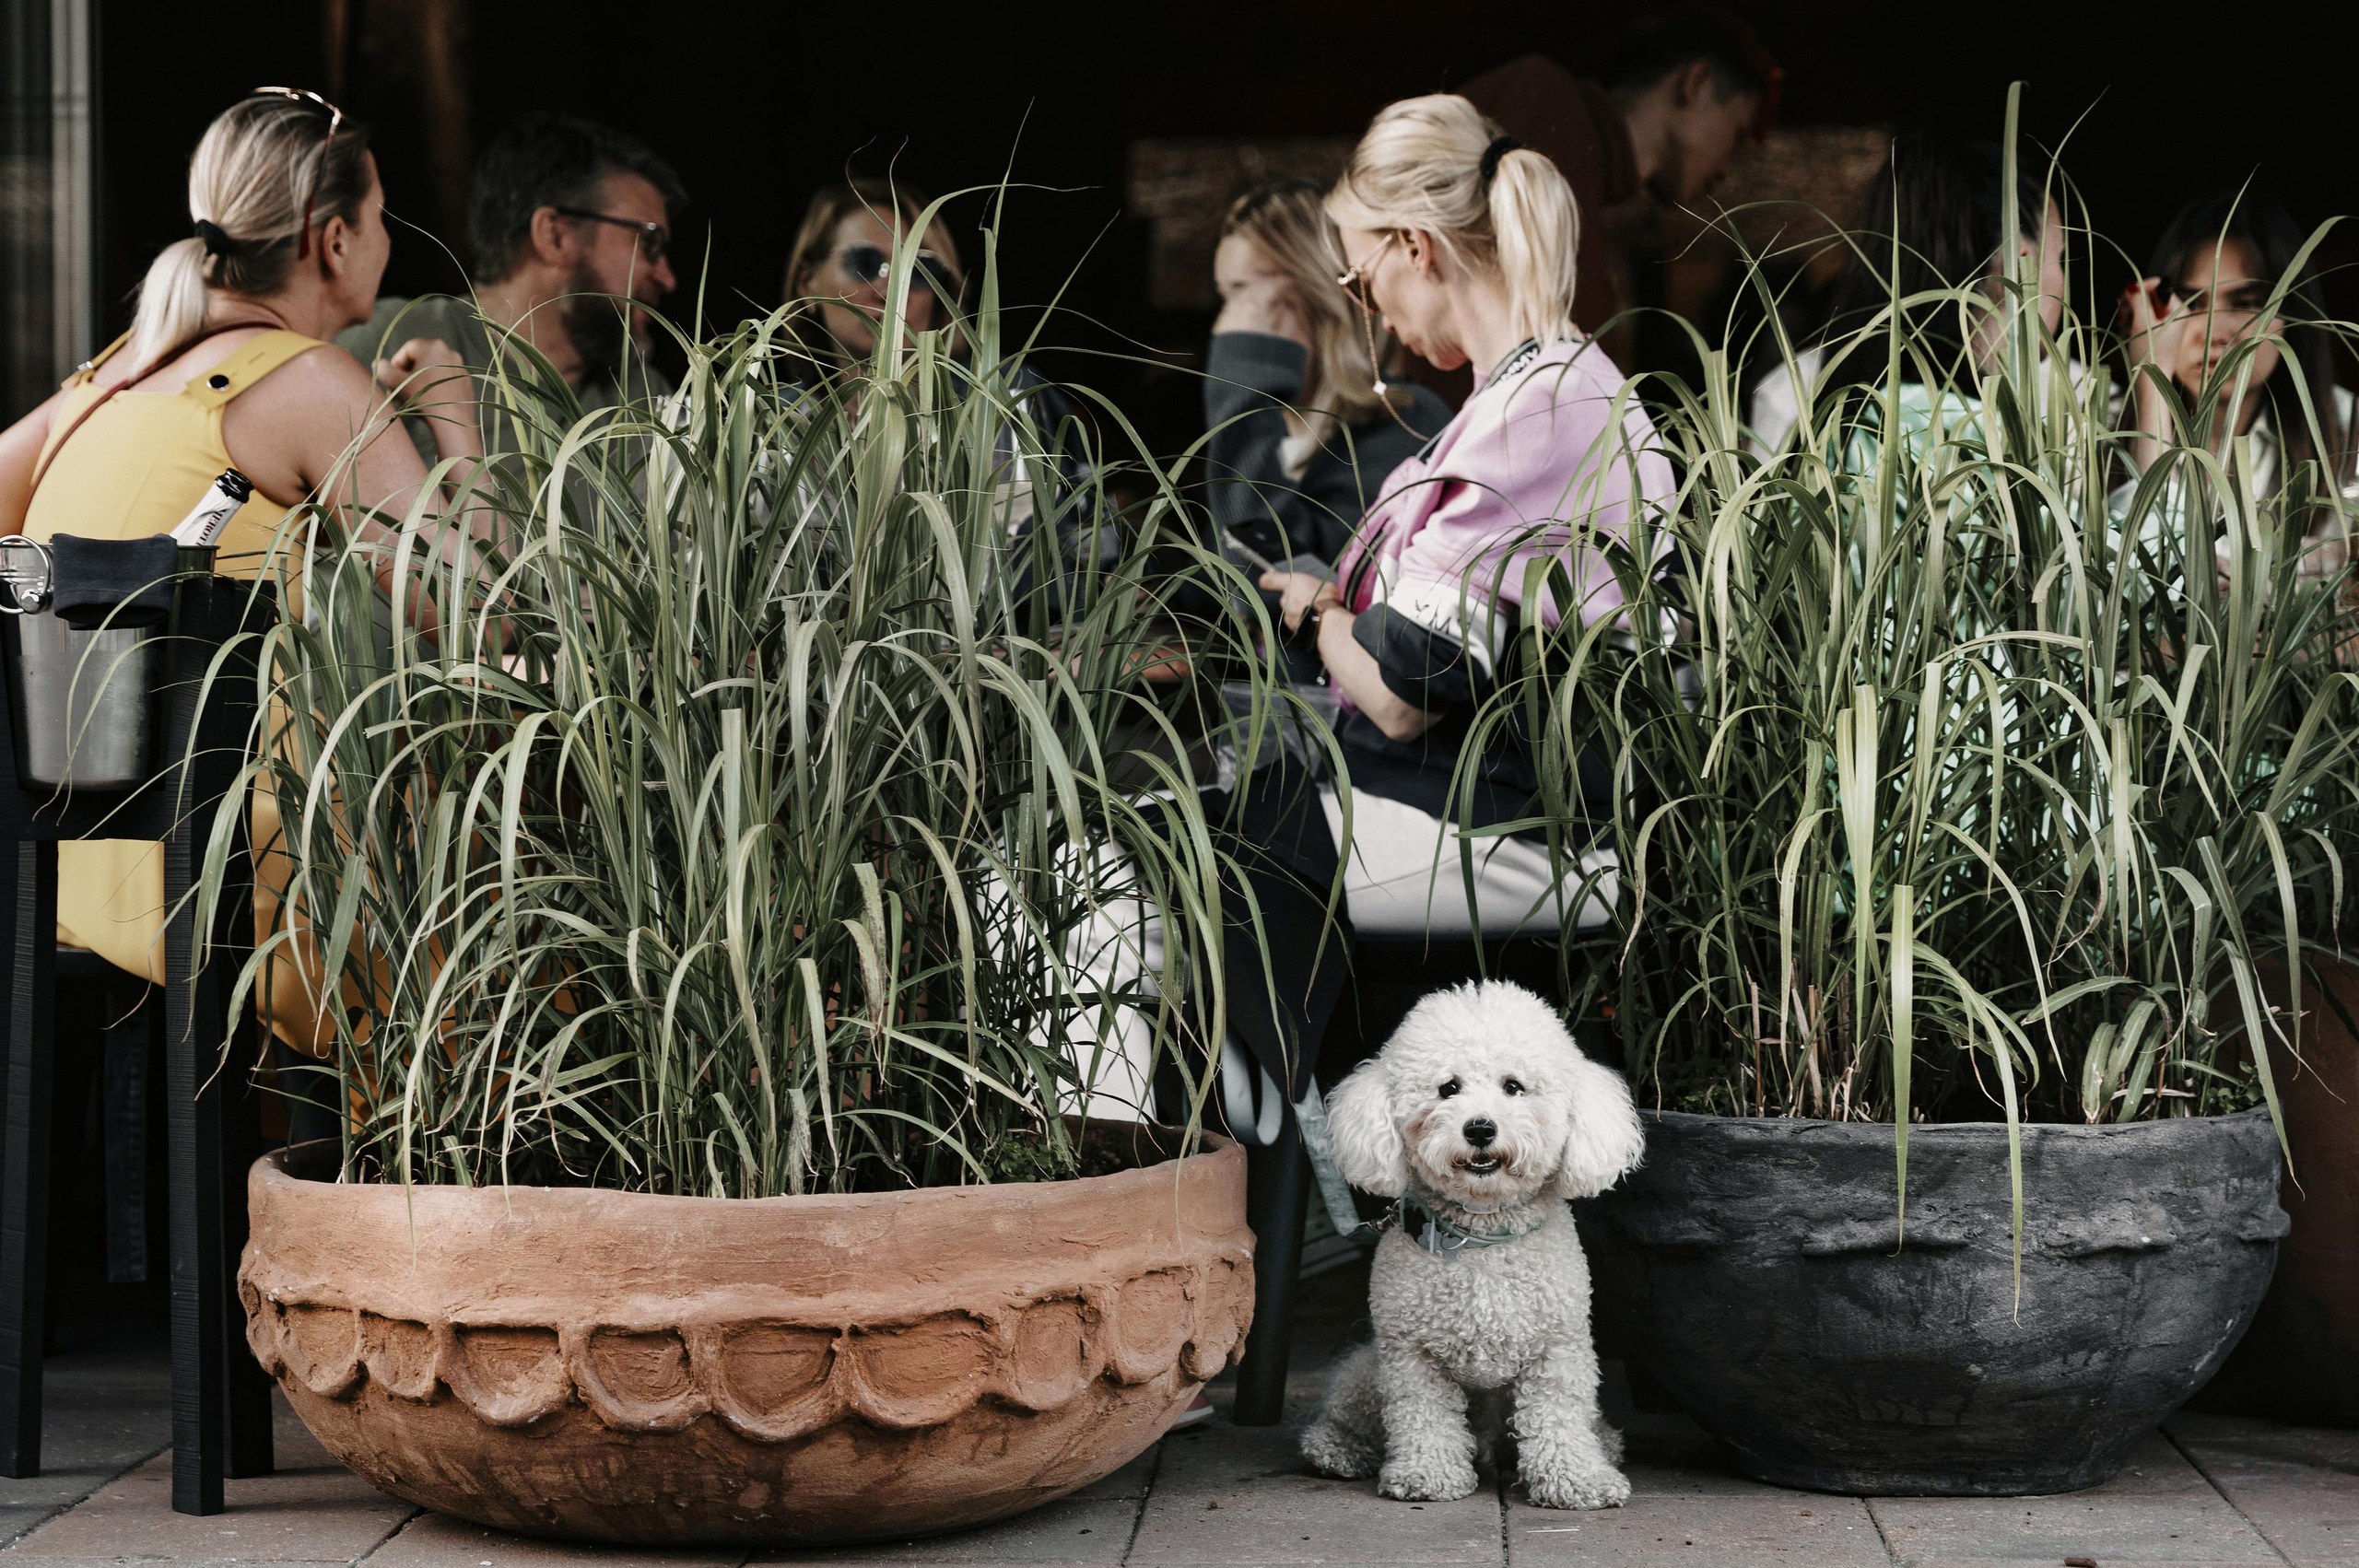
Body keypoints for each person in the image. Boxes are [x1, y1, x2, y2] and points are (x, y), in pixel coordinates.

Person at [0, 89, 487, 1039]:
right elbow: (482, 614)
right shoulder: (307, 381)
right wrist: (457, 423)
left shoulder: (105, 383)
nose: (387, 241)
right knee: (532, 922)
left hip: (77, 879)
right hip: (235, 888)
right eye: (382, 218)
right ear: (332, 238)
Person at [338, 112, 685, 466]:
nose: (667, 278)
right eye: (648, 243)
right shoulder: (388, 342)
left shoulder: (648, 400)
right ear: (555, 236)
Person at [1460, 5, 1778, 366]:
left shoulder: (1588, 168)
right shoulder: (1540, 99)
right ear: (1696, 84)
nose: (1728, 167)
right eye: (1737, 137)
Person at [1748, 131, 2070, 451]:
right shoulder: (2068, 407)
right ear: (2018, 268)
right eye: (2059, 257)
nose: (2064, 281)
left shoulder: (1795, 392)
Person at [1203, 180, 1451, 574]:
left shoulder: (1404, 420)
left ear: (1315, 295)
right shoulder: (1282, 432)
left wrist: (1241, 390)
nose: (1228, 324)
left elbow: (1273, 588)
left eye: (1244, 294)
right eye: (1224, 298)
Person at [2119, 191, 2353, 573]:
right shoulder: (2096, 430)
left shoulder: (2350, 429)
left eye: (2245, 303)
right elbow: (2137, 588)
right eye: (2192, 303)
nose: (2215, 332)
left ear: (2291, 314)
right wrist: (2151, 381)